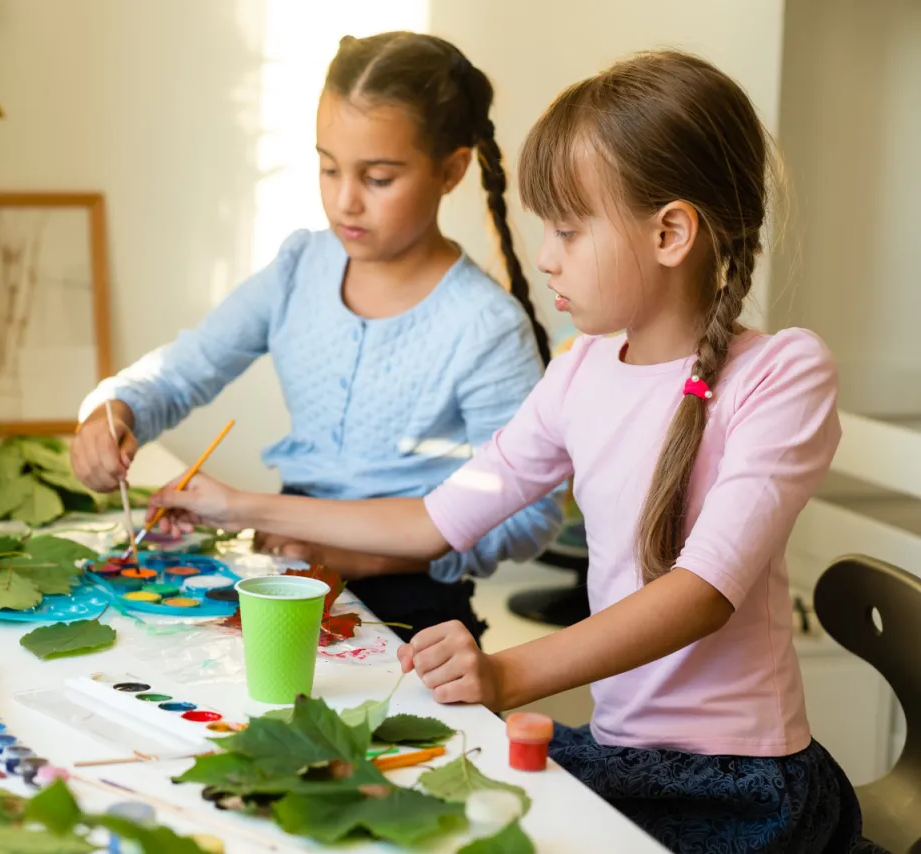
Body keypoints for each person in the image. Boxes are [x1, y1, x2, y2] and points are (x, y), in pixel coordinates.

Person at [146, 49, 883, 853]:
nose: (544, 255)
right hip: (624, 758)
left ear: (671, 231)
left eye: (568, 228)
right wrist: (235, 504)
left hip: (745, 786)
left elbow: (702, 591)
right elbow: (436, 522)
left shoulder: (782, 373)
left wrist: (505, 675)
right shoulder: (580, 373)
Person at [73, 32, 562, 642]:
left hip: (415, 615)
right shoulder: (300, 267)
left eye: (378, 178)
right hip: (287, 576)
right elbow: (180, 371)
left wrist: (375, 557)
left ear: (452, 170)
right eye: (328, 168)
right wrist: (115, 412)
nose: (344, 201)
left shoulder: (484, 325)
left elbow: (530, 511)